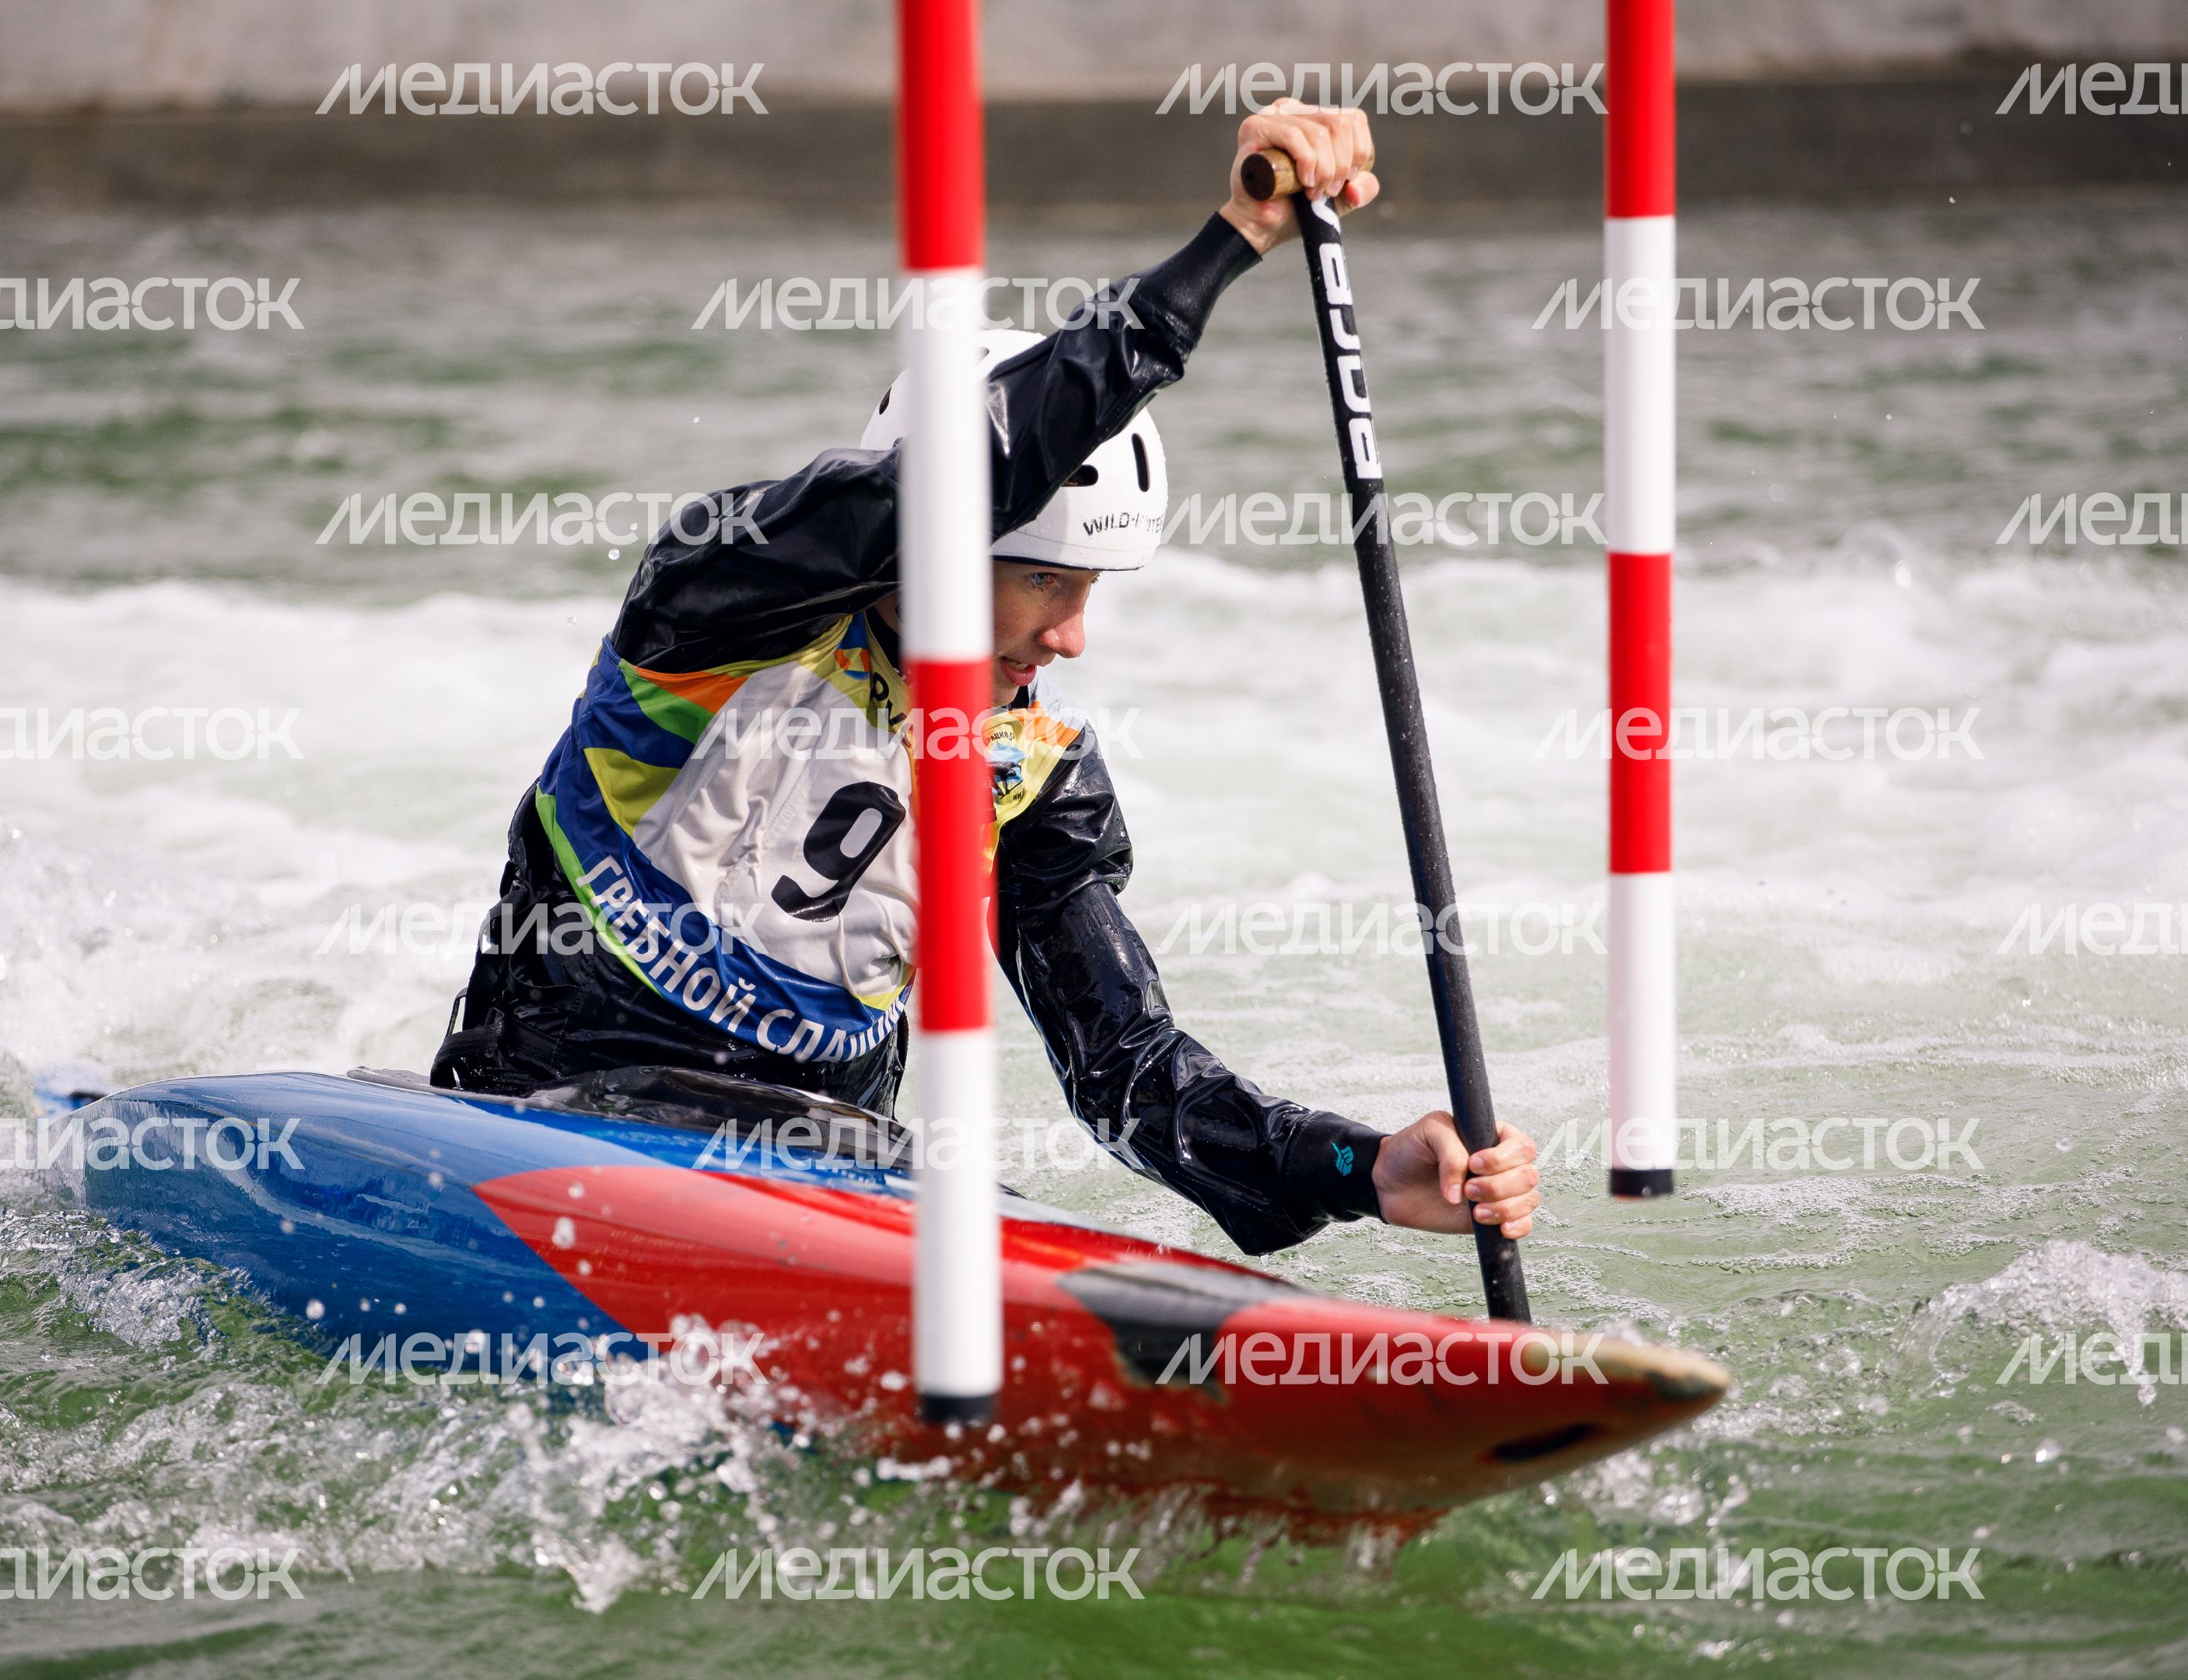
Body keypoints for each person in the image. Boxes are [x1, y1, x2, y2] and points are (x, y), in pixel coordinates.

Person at [433, 100, 1542, 1260]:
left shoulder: (1023, 775)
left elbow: (1131, 1074)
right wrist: (1233, 242)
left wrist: (1363, 1168)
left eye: (1094, 591)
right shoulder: (716, 609)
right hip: (546, 1125)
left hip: (817, 1188)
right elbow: (953, 482)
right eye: (1049, 584)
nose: (1071, 640)